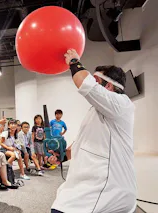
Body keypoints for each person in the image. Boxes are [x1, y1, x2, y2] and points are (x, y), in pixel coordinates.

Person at [49, 49, 136, 213]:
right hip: (91, 187)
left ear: (108, 86)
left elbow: (84, 83)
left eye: (96, 80)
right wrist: (61, 157)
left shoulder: (121, 103)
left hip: (107, 189)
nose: (93, 83)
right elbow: (81, 145)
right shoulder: (96, 111)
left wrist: (74, 61)